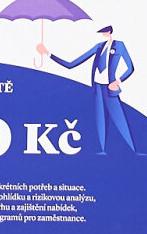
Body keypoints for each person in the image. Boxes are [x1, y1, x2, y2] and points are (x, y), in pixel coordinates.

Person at [39, 26, 140, 155]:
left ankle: (133, 149)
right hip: (97, 87)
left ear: (109, 32)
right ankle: (102, 150)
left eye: (104, 32)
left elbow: (130, 68)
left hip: (110, 87)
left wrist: (118, 81)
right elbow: (72, 64)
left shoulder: (119, 45)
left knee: (118, 117)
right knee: (100, 118)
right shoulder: (99, 46)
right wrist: (48, 53)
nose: (103, 34)